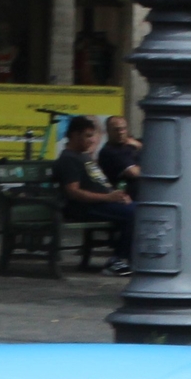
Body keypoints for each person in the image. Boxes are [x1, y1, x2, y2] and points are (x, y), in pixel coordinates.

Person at [53, 115, 134, 274]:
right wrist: (108, 197)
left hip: (103, 203)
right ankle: (117, 260)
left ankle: (133, 257)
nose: (92, 140)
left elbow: (99, 183)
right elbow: (73, 192)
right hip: (85, 207)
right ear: (75, 135)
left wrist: (118, 195)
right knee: (135, 213)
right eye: (88, 136)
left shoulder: (84, 156)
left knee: (144, 210)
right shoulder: (69, 159)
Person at [96, 113, 141, 190]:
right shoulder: (109, 151)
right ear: (108, 131)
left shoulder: (131, 146)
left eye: (123, 129)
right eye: (116, 129)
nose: (121, 132)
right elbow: (134, 172)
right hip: (122, 198)